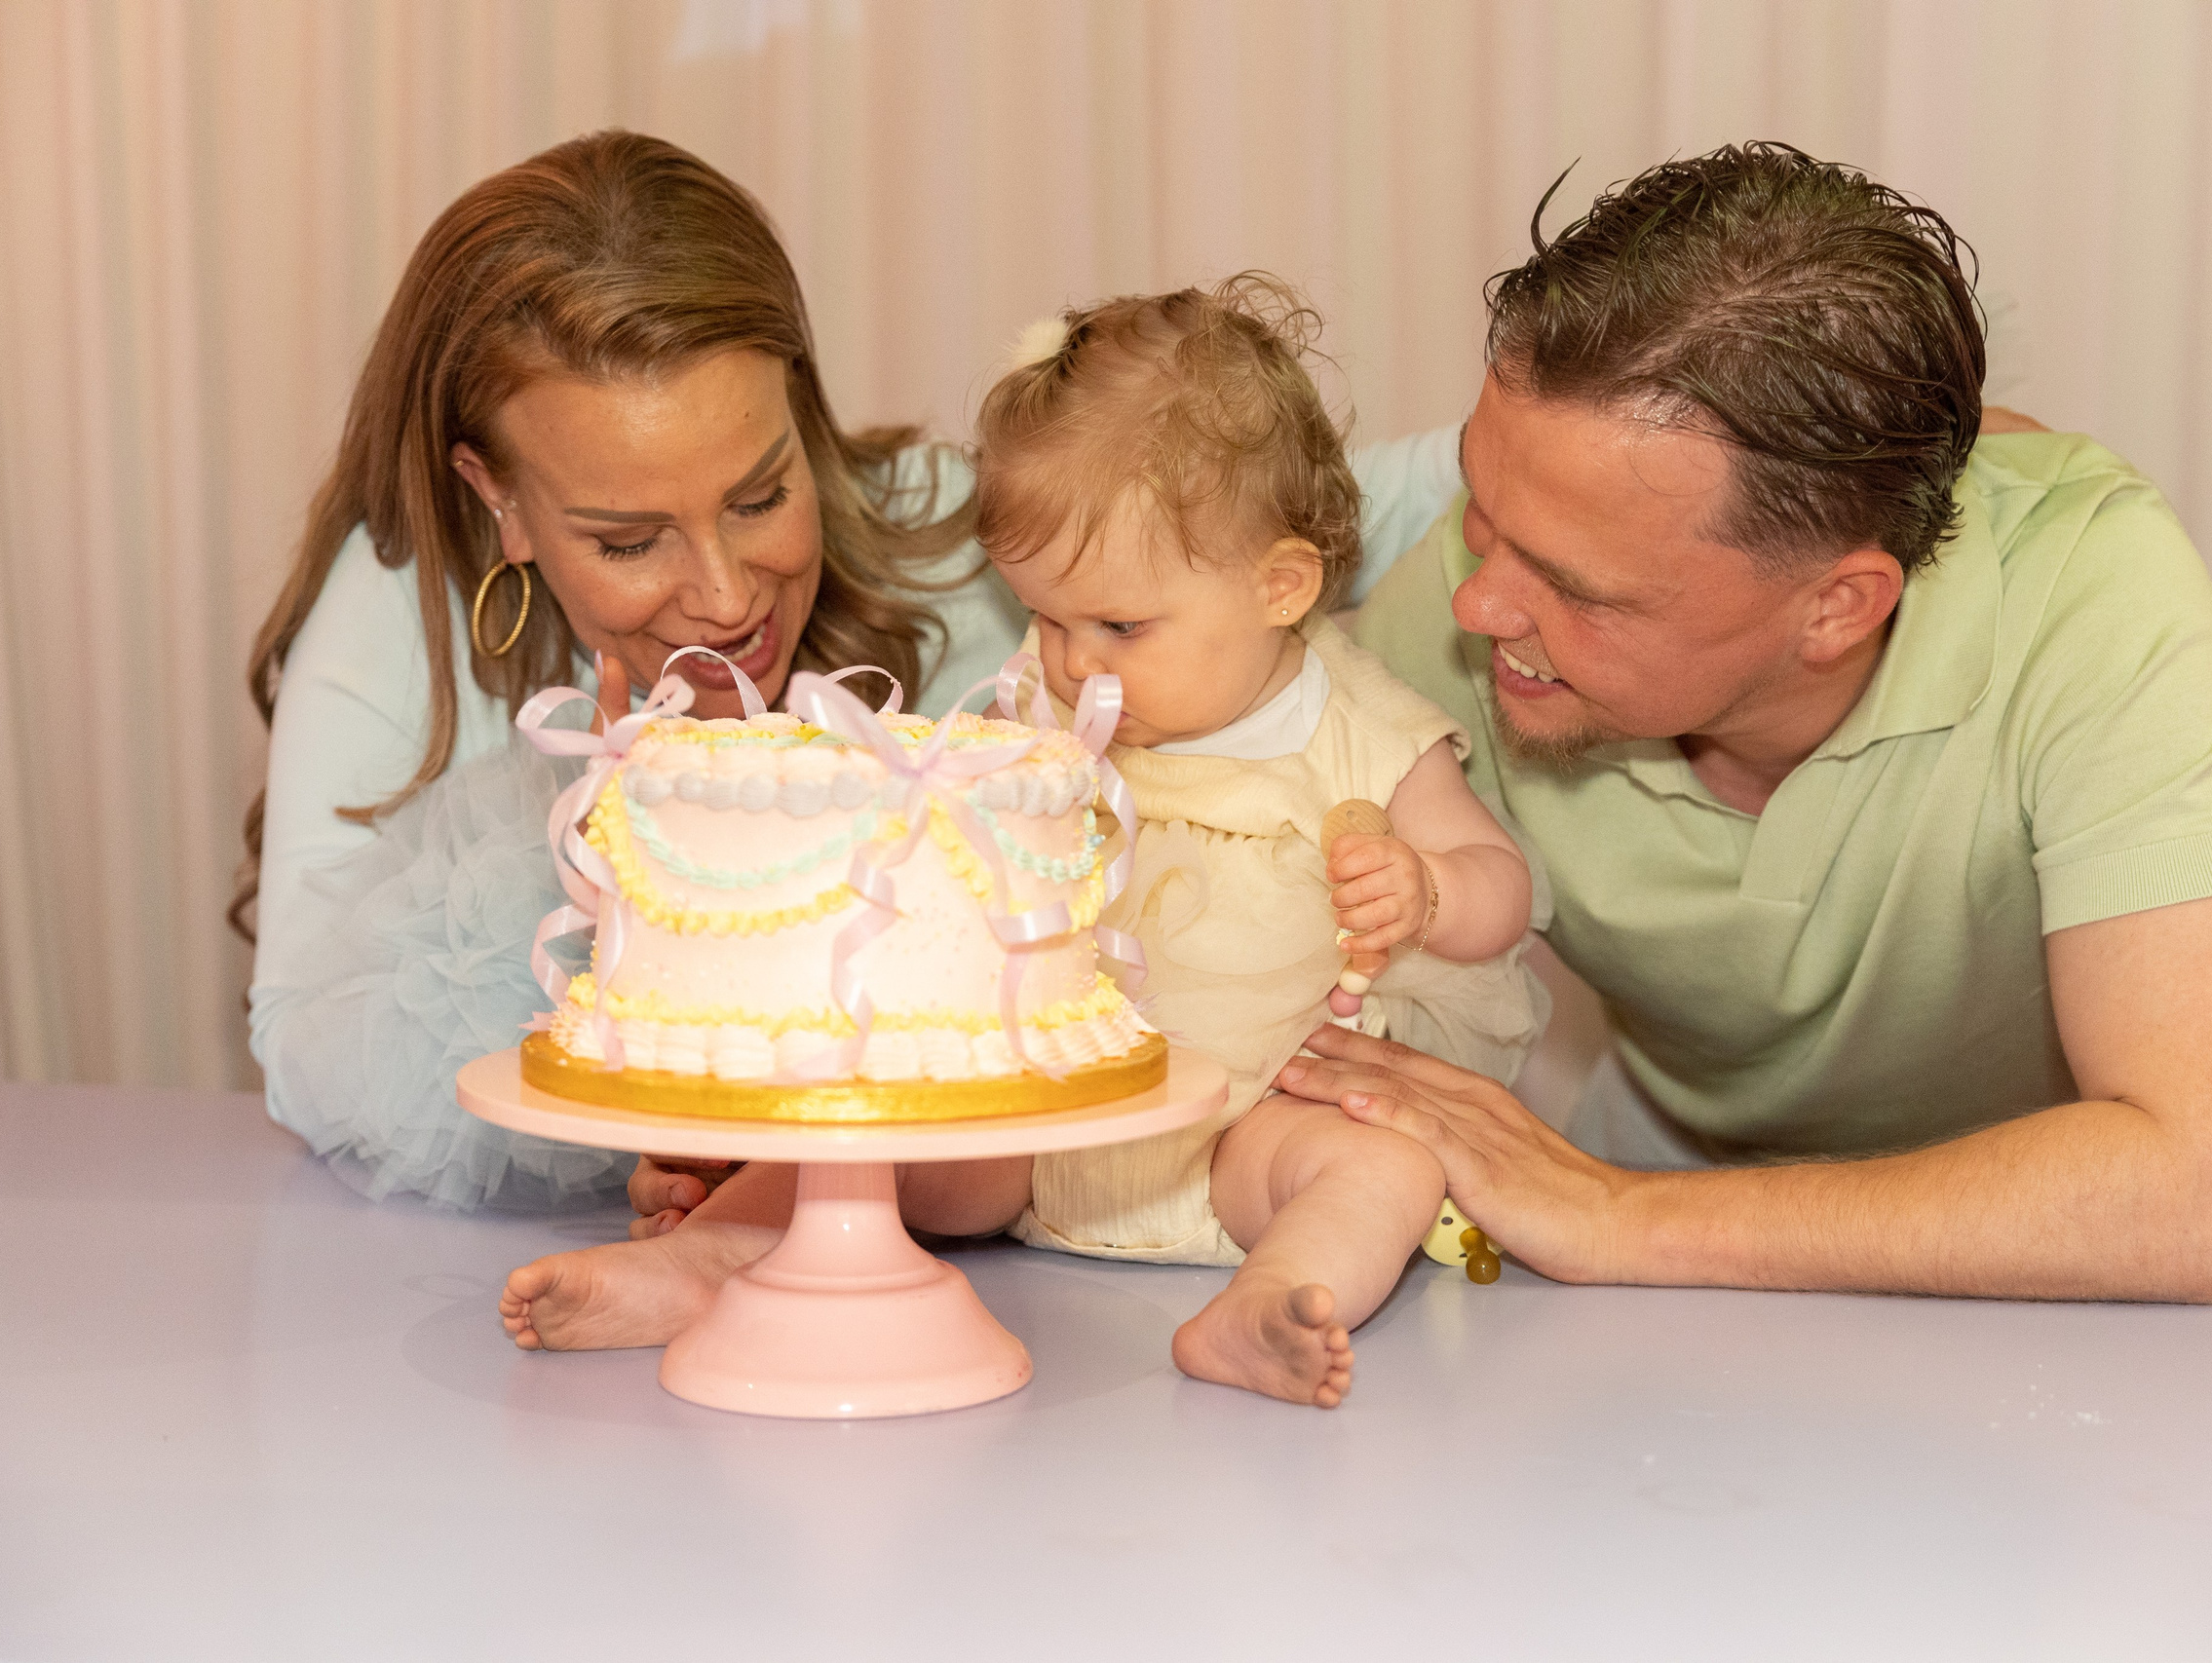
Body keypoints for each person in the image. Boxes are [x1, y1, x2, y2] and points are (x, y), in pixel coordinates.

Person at [242, 132, 1466, 1210]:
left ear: (803, 416)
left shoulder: (967, 544)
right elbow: (305, 1045)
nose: (724, 597)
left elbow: (1386, 498)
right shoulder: (401, 606)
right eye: (626, 540)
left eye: (762, 493)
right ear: (495, 496)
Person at [1279, 143, 2212, 1304]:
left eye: (1580, 590)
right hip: (1647, 1206)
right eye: (1481, 506)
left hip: (2034, 1263)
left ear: (1837, 607)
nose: (1477, 602)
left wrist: (1613, 1212)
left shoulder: (2088, 584)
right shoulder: (1458, 602)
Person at [499, 279, 1543, 1406]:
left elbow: (1504, 891)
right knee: (869, 1138)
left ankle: (1274, 1302)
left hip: (1259, 1123)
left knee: (1382, 1164)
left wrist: (1428, 892)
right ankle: (695, 1265)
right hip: (1043, 1120)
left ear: (1280, 585)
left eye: (1119, 626)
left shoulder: (1360, 729)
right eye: (1047, 618)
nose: (1074, 663)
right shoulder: (1034, 723)